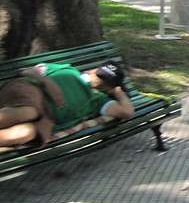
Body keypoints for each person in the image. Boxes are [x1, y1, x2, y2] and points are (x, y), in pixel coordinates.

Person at [0, 60, 134, 147]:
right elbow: (27, 71)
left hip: (47, 117)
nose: (100, 79)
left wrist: (118, 92)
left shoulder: (98, 100)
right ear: (93, 70)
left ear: (109, 87)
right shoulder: (68, 70)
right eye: (99, 75)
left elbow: (127, 111)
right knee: (30, 111)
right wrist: (46, 82)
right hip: (32, 91)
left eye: (106, 80)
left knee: (25, 134)